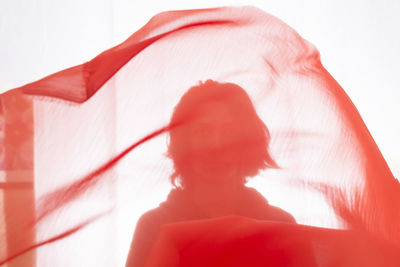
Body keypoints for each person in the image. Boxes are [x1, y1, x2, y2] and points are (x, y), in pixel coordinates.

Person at [125, 80, 296, 267]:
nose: (217, 145)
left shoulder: (280, 225)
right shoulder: (153, 227)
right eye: (203, 132)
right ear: (184, 143)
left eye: (229, 132)